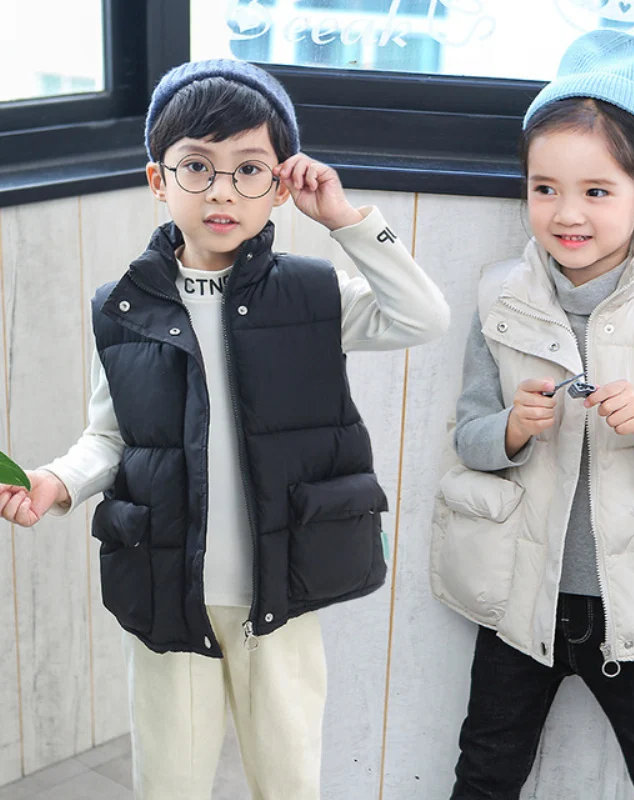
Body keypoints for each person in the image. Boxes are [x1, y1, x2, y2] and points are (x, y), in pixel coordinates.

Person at [0, 59, 449, 800]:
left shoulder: (313, 295)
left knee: (287, 779)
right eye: (197, 167)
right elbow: (110, 438)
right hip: (167, 583)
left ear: (281, 185)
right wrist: (56, 483)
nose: (221, 191)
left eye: (248, 170)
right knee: (168, 782)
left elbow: (423, 317)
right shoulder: (122, 309)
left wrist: (345, 220)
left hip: (281, 583)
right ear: (158, 179)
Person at [430, 30, 634, 799]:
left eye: (596, 192)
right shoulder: (499, 299)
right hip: (521, 597)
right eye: (544, 188)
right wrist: (513, 428)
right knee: (484, 772)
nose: (566, 212)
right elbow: (470, 437)